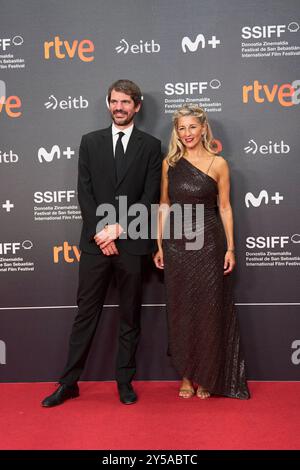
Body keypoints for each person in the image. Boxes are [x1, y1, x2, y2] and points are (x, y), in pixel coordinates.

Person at [42, 79, 162, 407]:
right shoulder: (90, 142)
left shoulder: (151, 145)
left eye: (125, 102)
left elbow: (149, 196)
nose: (119, 107)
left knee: (129, 315)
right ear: (108, 104)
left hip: (132, 242)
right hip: (96, 244)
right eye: (114, 101)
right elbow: (85, 192)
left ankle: (124, 381)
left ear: (137, 106)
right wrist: (102, 232)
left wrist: (118, 229)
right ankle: (68, 382)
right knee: (86, 314)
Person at [153, 105, 250, 400]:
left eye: (192, 127)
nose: (187, 134)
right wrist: (158, 244)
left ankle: (207, 375)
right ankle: (186, 375)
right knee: (181, 309)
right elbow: (165, 204)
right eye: (181, 128)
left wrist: (231, 248)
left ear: (204, 128)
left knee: (209, 309)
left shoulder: (219, 163)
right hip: (177, 244)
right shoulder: (170, 162)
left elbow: (225, 207)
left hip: (209, 243)